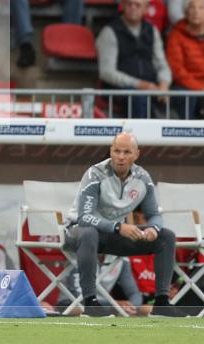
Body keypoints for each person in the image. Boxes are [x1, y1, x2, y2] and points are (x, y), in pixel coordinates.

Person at [63, 132, 178, 317]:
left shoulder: (143, 178)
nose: (121, 157)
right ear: (111, 151)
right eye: (117, 151)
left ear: (136, 154)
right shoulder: (95, 174)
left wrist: (152, 228)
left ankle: (162, 302)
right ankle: (90, 303)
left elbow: (154, 215)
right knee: (89, 233)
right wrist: (118, 227)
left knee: (166, 236)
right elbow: (84, 217)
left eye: (126, 152)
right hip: (77, 232)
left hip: (112, 235)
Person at [96, 0, 172, 118]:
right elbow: (107, 73)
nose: (133, 8)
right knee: (138, 97)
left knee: (183, 96)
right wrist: (140, 85)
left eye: (137, 5)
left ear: (145, 9)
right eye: (129, 3)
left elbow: (162, 64)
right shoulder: (110, 31)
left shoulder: (152, 30)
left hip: (151, 86)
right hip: (119, 90)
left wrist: (164, 84)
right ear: (123, 5)